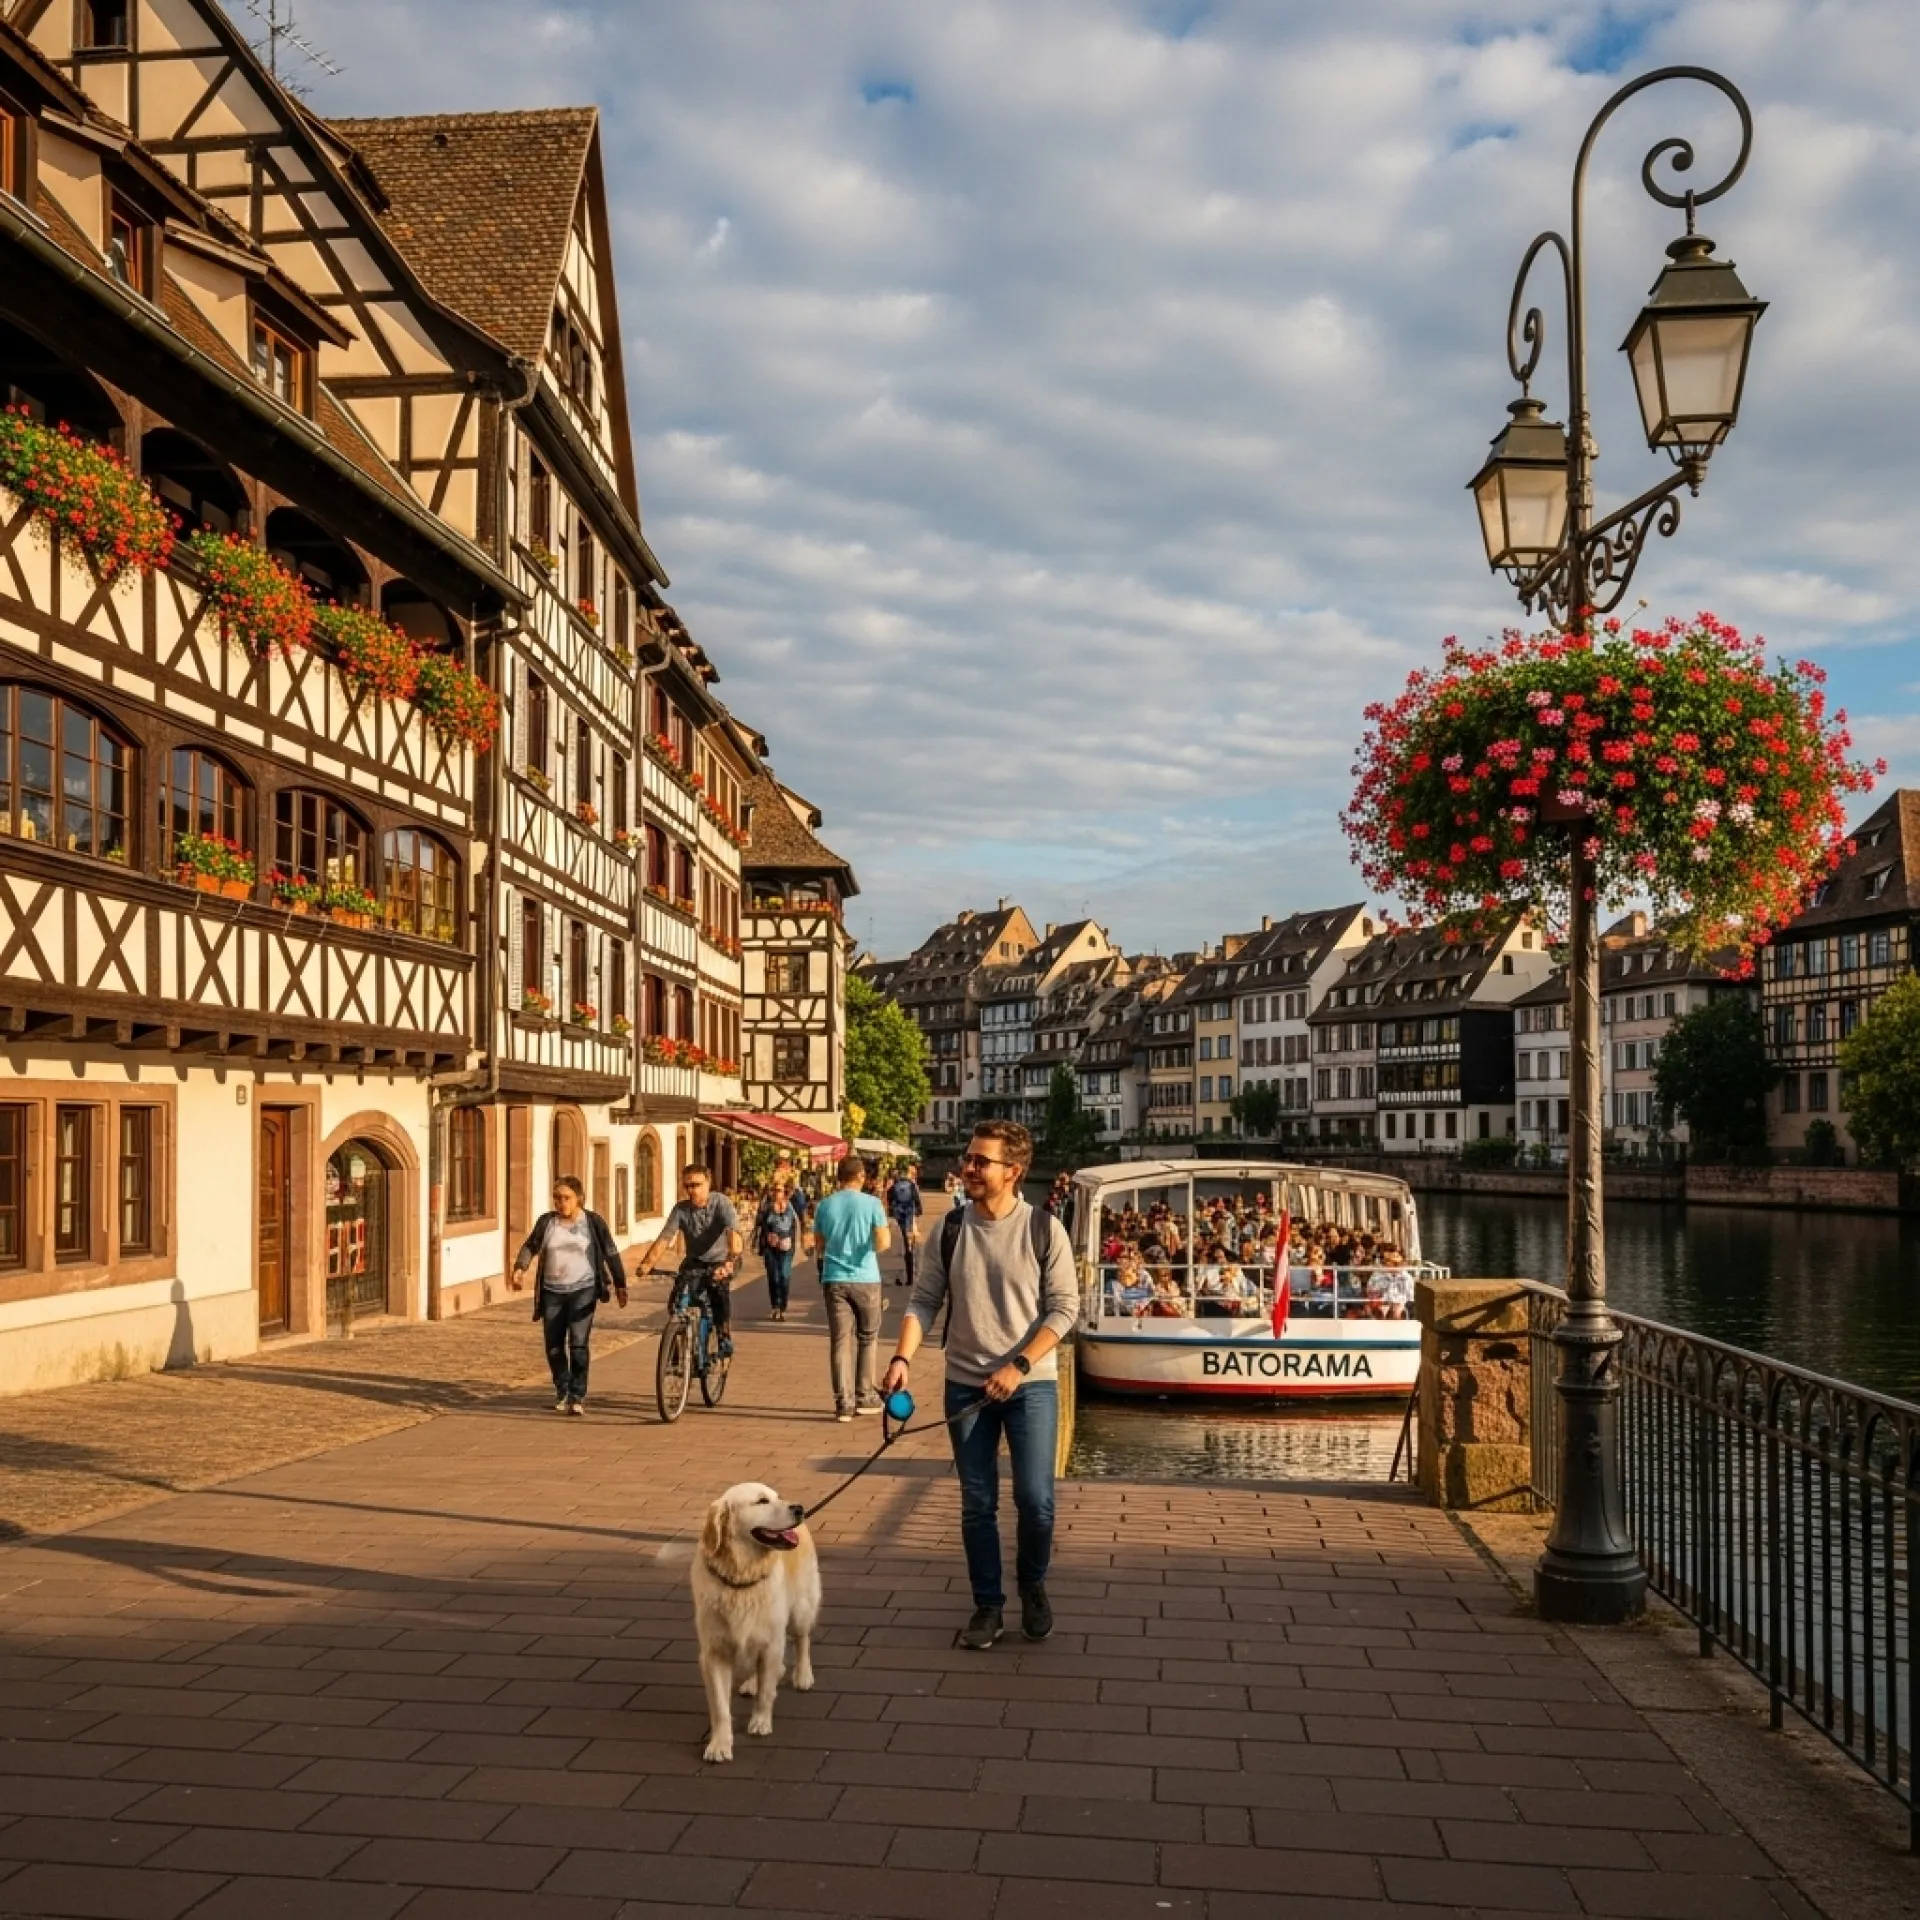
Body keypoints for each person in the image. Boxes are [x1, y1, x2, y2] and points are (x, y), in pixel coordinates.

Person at [884, 1119, 1076, 1650]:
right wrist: (902, 1357)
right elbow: (924, 1300)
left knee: (1036, 1500)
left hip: (1029, 1383)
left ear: (1013, 1171)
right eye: (968, 1158)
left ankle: (1032, 1584)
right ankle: (987, 1606)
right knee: (977, 1502)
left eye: (979, 1161)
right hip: (966, 1384)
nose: (967, 1167)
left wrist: (1018, 1365)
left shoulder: (1044, 1229)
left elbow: (1065, 1310)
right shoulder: (950, 1229)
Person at [509, 1175, 628, 1415]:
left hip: (583, 1289)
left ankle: (577, 1394)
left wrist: (620, 1284)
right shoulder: (547, 1223)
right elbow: (531, 1245)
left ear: (579, 1199)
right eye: (557, 1198)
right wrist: (519, 1268)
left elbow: (610, 1252)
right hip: (552, 1291)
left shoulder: (593, 1222)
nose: (561, 1203)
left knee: (578, 1343)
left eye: (566, 1198)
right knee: (553, 1346)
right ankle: (562, 1388)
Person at [810, 1153, 892, 1421]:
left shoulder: (825, 1205)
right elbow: (883, 1241)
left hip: (834, 1278)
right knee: (867, 1337)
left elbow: (818, 1242)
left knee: (840, 1341)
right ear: (860, 1176)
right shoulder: (872, 1204)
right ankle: (864, 1394)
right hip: (866, 1277)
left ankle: (842, 1402)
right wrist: (866, 1247)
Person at [633, 1163, 744, 1355]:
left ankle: (723, 1336)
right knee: (676, 1302)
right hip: (694, 1261)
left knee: (718, 1294)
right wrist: (646, 1264)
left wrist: (729, 1262)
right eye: (688, 1186)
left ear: (708, 1183)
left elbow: (734, 1235)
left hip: (722, 1259)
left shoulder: (721, 1203)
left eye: (697, 1185)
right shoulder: (681, 1209)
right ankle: (675, 1343)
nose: (692, 1190)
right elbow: (665, 1238)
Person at [755, 1177, 803, 1320]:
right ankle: (775, 1306)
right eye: (774, 1190)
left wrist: (795, 1185)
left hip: (787, 1247)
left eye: (779, 1190)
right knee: (773, 1277)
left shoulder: (791, 1207)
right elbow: (759, 1223)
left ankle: (783, 1307)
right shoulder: (767, 1207)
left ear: (785, 1192)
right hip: (771, 1247)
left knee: (784, 1276)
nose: (776, 1193)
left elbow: (801, 1204)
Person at [885, 1161, 924, 1288]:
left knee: (901, 1243)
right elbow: (917, 1200)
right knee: (909, 1246)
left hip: (898, 1216)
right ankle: (910, 1277)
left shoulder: (895, 1185)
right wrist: (918, 1211)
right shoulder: (911, 1185)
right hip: (909, 1215)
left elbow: (889, 1199)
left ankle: (902, 1275)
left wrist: (891, 1211)